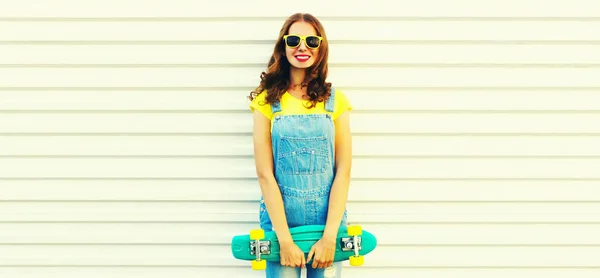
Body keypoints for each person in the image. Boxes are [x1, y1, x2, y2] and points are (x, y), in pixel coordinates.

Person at [248, 12, 353, 278]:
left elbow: (343, 171)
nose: (302, 47)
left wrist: (330, 235)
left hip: (327, 221)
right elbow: (265, 174)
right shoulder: (265, 102)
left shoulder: (336, 101)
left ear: (321, 47)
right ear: (283, 47)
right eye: (294, 39)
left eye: (311, 41)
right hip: (281, 222)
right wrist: (283, 239)